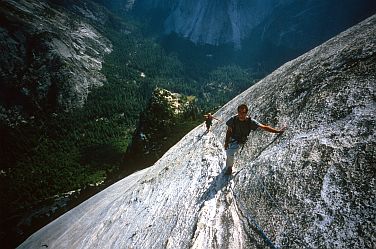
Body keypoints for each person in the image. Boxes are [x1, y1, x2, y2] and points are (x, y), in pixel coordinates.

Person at [224, 104, 285, 175]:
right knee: (229, 152)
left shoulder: (250, 121)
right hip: (233, 140)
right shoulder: (233, 119)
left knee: (229, 152)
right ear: (237, 112)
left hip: (242, 140)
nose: (241, 114)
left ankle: (229, 167)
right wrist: (226, 142)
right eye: (240, 112)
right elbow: (229, 131)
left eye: (243, 112)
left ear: (246, 113)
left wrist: (277, 131)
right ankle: (229, 166)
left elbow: (264, 127)